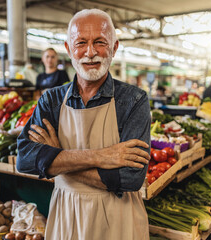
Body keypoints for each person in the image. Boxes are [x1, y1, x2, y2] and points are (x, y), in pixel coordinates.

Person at [17, 9, 150, 240]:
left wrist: (57, 158)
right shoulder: (52, 99)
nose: (90, 52)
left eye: (100, 42)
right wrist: (102, 156)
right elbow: (25, 159)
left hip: (118, 222)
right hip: (66, 217)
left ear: (114, 48)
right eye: (81, 43)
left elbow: (130, 178)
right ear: (69, 50)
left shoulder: (133, 100)